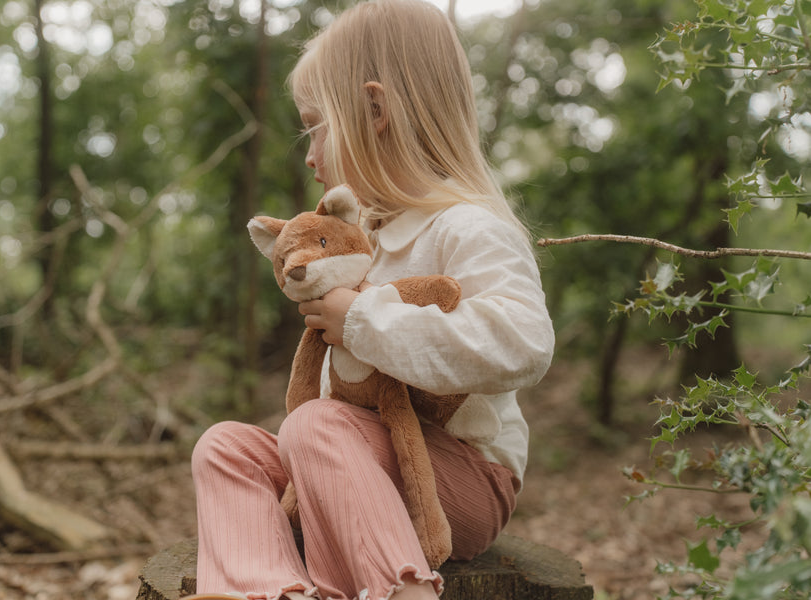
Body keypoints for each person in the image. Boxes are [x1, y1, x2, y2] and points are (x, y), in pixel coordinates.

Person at [189, 1, 554, 600]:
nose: (308, 154)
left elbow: (524, 345)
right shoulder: (366, 242)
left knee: (316, 424)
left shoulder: (466, 227)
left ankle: (399, 589)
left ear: (376, 109)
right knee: (226, 446)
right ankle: (265, 589)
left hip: (460, 479)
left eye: (315, 126)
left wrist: (361, 318)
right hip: (350, 457)